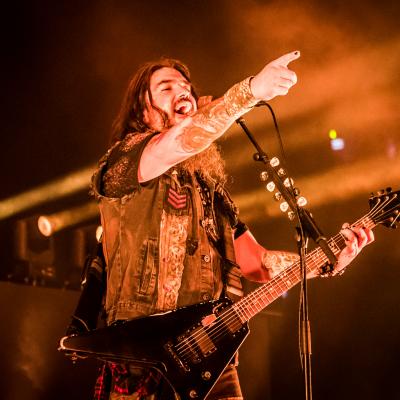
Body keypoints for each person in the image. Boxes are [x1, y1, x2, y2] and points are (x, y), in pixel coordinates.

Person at [68, 51, 374, 399]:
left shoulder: (210, 192)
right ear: (141, 111)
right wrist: (250, 91)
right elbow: (178, 142)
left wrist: (329, 262)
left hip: (211, 360)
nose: (182, 92)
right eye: (166, 88)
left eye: (186, 87)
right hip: (143, 357)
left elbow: (258, 264)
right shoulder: (125, 161)